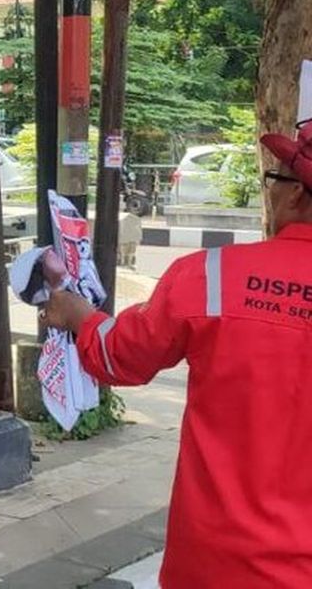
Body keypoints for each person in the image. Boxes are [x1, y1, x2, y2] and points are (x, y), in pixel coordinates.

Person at [40, 122, 312, 588]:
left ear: (296, 196)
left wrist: (78, 314)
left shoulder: (210, 276)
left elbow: (120, 356)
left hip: (212, 565)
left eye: (277, 179)